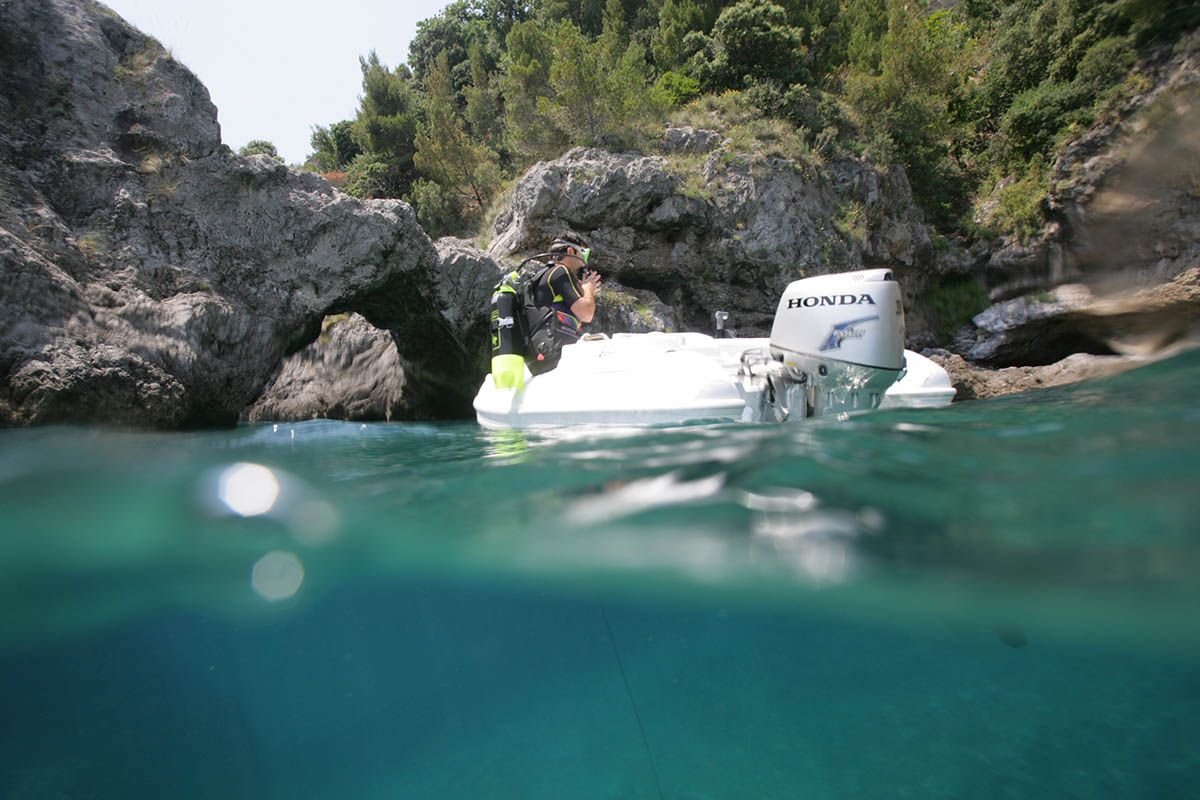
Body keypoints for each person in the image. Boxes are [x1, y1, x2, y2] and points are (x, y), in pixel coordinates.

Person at [489, 233, 602, 389]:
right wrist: (588, 289)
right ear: (570, 251)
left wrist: (583, 291)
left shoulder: (542, 277)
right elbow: (586, 314)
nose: (585, 261)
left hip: (540, 357)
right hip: (555, 352)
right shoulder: (560, 272)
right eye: (584, 253)